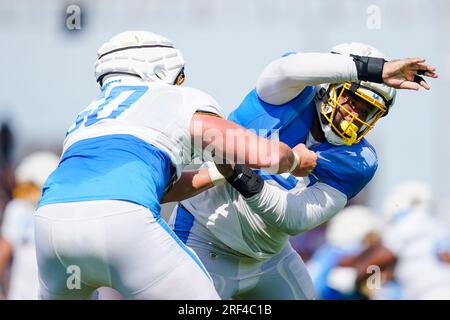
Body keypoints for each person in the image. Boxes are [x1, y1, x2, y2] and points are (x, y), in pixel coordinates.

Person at [34, 31, 315, 300]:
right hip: (124, 222)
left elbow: (156, 189)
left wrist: (215, 174)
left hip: (51, 227)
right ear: (160, 67)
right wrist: (294, 159)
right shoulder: (174, 97)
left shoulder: (85, 118)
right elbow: (263, 155)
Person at [169, 42, 437, 299]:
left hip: (269, 257)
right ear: (328, 86)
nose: (356, 115)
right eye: (353, 100)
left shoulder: (358, 160)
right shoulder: (286, 93)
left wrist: (238, 174)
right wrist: (374, 70)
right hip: (204, 236)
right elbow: (289, 68)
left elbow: (294, 219)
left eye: (367, 110)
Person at [0, 152, 59, 299]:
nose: (25, 192)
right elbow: (3, 251)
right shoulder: (18, 208)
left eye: (31, 186)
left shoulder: (60, 211)